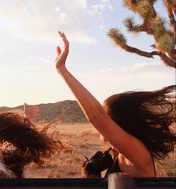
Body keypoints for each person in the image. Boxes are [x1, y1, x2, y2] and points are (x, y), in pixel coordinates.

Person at [55, 31, 176, 177]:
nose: (104, 127)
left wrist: (61, 68)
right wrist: (93, 174)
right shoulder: (120, 153)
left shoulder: (138, 152)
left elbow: (96, 116)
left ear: (120, 123)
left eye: (107, 119)